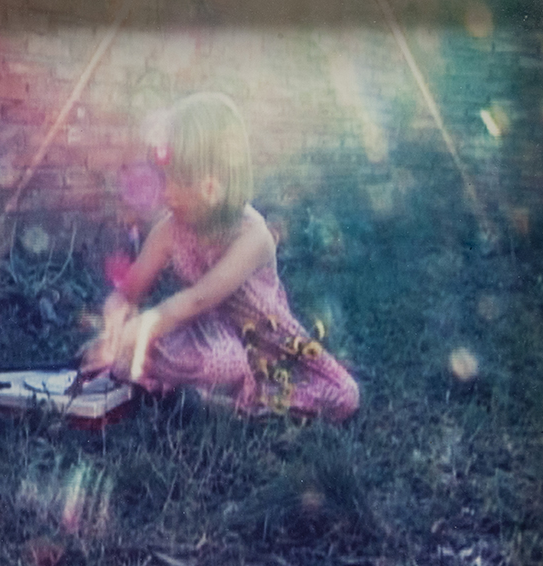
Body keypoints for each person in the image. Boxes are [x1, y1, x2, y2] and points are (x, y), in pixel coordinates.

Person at [82, 92, 359, 422]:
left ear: (216, 182)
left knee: (344, 395)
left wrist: (142, 329)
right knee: (216, 360)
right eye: (164, 178)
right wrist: (115, 322)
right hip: (208, 340)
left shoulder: (252, 235)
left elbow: (199, 298)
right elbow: (129, 291)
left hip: (266, 345)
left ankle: (208, 399)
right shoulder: (169, 230)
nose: (166, 192)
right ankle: (197, 396)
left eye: (179, 182)